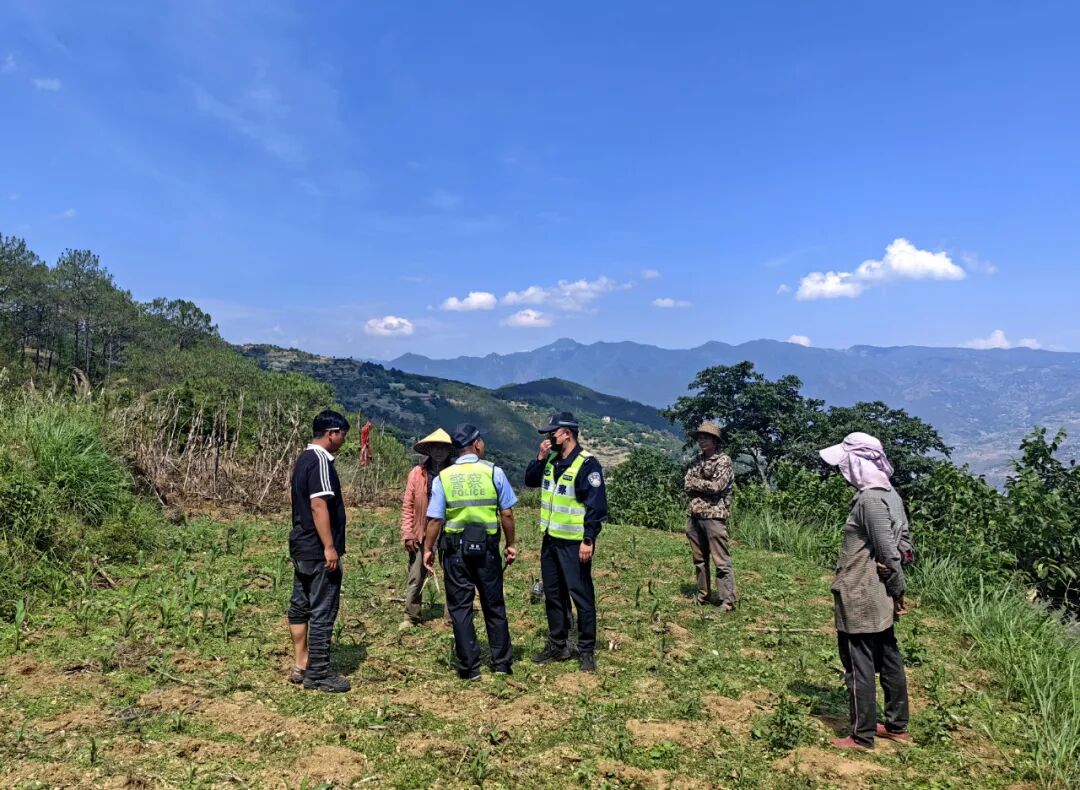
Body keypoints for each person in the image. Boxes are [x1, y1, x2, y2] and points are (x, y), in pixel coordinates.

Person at [819, 432, 912, 749]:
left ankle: (862, 735)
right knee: (888, 656)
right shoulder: (890, 495)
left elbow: (889, 552)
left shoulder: (870, 500)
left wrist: (898, 588)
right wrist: (895, 586)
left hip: (861, 593)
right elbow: (904, 545)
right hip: (880, 594)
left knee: (858, 662)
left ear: (857, 463)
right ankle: (897, 726)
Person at [422, 423, 518, 679]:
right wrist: (510, 543)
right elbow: (506, 513)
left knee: (461, 608)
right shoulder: (494, 472)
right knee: (494, 604)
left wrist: (427, 549)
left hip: (455, 552)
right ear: (476, 444)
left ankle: (469, 667)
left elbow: (434, 520)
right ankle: (501, 663)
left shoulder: (445, 477)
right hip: (486, 550)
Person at [525, 412, 608, 672]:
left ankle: (586, 649)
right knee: (553, 595)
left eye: (553, 433)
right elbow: (530, 481)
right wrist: (539, 458)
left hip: (574, 543)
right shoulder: (550, 460)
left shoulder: (587, 464)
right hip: (551, 539)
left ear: (567, 434)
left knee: (581, 595)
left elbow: (596, 506)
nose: (550, 437)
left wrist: (588, 539)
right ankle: (558, 644)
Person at [286, 409, 352, 693]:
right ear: (331, 433)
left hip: (300, 544)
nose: (343, 441)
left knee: (299, 606)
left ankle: (301, 665)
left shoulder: (302, 460)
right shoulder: (321, 462)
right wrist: (329, 546)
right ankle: (319, 674)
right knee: (323, 610)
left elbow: (294, 498)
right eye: (343, 435)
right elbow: (318, 504)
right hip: (316, 548)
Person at [400, 428, 454, 629]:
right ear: (429, 450)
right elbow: (408, 505)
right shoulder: (417, 473)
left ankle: (452, 617)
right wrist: (408, 532)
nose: (439, 451)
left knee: (452, 574)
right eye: (435, 447)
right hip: (422, 530)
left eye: (444, 447)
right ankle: (411, 616)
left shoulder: (455, 474)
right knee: (416, 575)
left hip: (449, 530)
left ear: (450, 451)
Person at [682, 422, 736, 610]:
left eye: (705, 437)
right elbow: (686, 483)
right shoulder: (696, 460)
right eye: (700, 438)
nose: (701, 441)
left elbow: (717, 487)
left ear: (714, 440)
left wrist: (697, 483)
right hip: (695, 514)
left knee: (721, 561)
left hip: (714, 515)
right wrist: (702, 484)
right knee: (699, 559)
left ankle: (727, 600)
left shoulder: (724, 461)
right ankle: (702, 595)